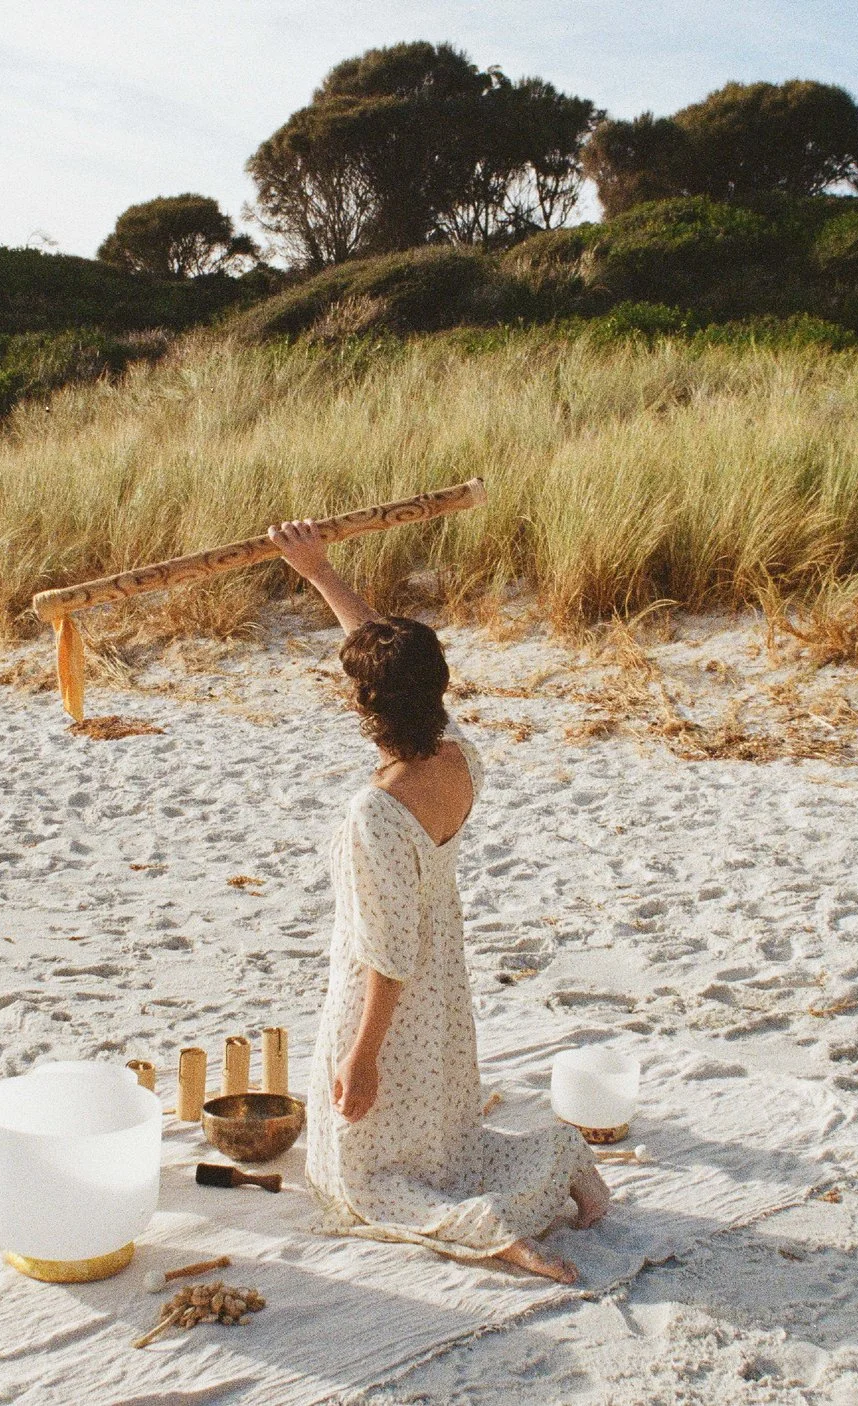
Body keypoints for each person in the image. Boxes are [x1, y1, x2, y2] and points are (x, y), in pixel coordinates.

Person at [268, 518, 610, 1284]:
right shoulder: (459, 755)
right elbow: (386, 658)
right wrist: (320, 573)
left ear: (366, 705)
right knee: (443, 1143)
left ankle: (493, 1232)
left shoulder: (378, 812)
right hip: (443, 984)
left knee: (355, 1178)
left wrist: (361, 1057)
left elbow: (387, 952)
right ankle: (564, 1160)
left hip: (387, 993)